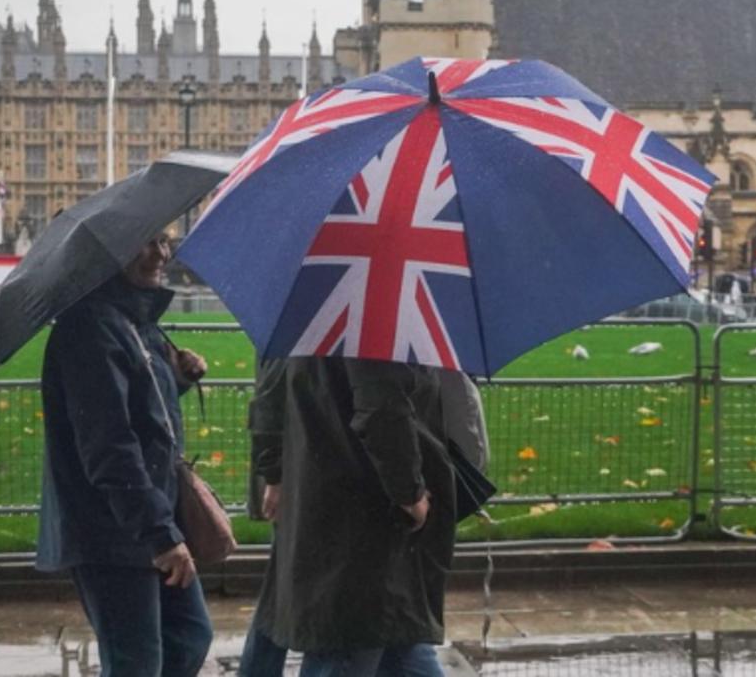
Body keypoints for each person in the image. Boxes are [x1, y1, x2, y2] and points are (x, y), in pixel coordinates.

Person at [35, 232, 213, 676]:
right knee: (136, 661)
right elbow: (108, 444)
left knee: (190, 637)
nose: (162, 254)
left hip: (149, 514)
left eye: (164, 241)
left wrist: (180, 380)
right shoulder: (90, 329)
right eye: (145, 242)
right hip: (112, 527)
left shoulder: (135, 321)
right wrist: (160, 534)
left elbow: (144, 414)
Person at [241, 356, 457, 677]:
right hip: (363, 519)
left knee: (397, 641)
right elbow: (381, 409)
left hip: (324, 502)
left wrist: (273, 468)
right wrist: (409, 493)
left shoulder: (310, 318)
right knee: (352, 642)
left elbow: (273, 389)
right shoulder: (372, 320)